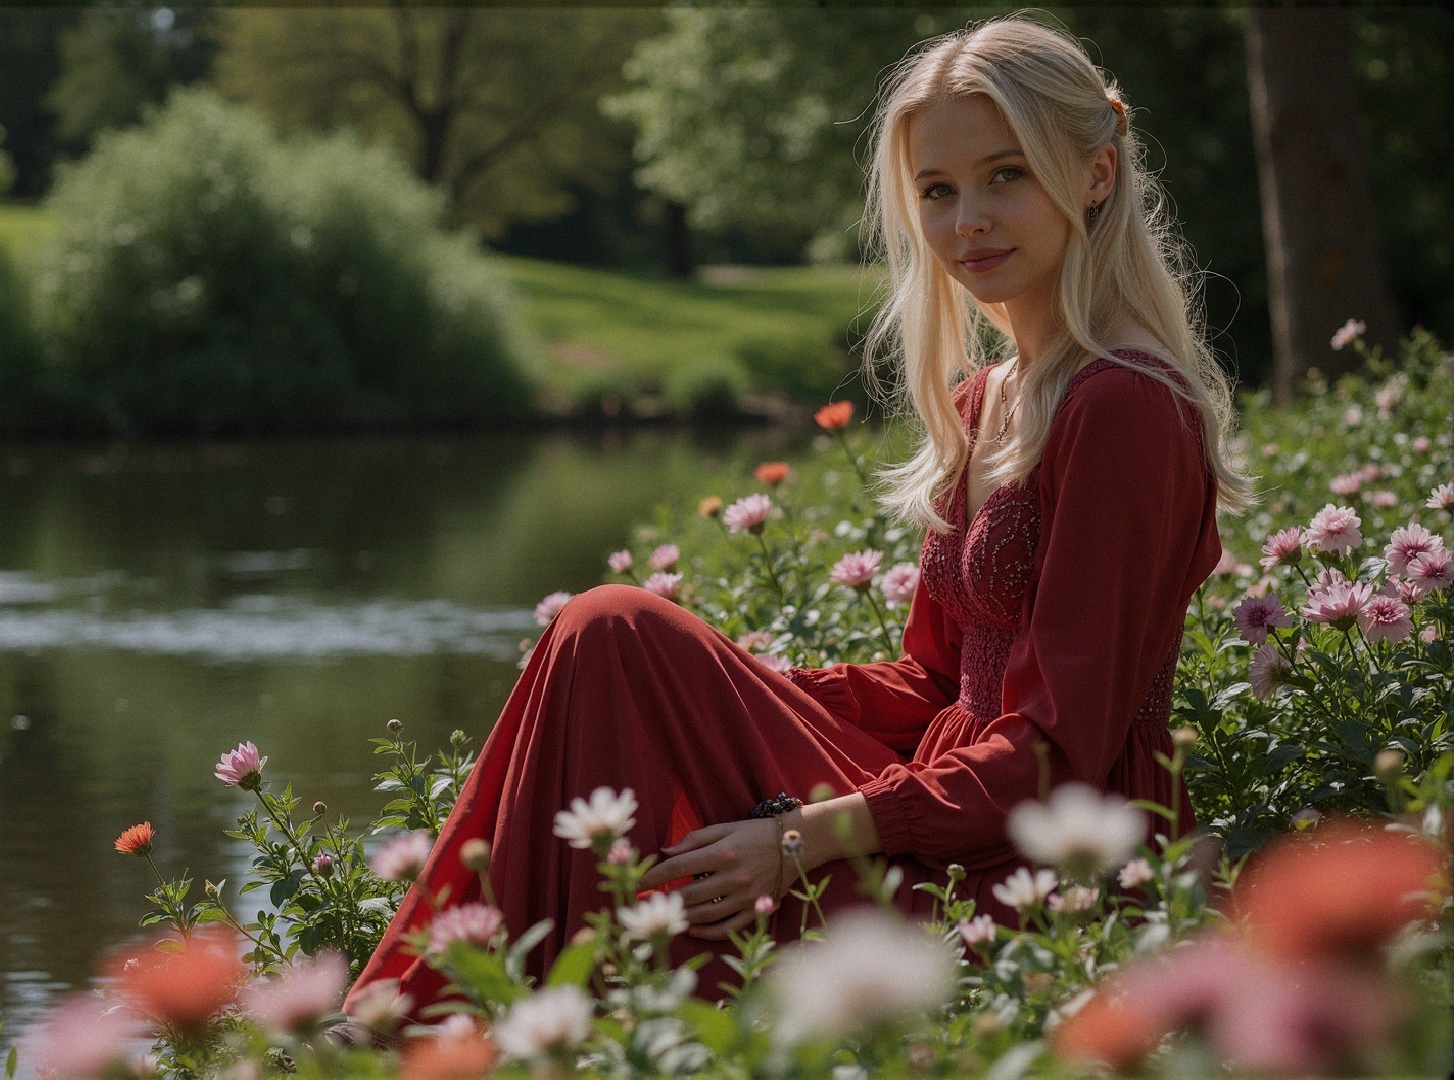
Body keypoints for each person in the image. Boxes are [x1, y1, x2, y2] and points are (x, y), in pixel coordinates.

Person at [336, 15, 1251, 1031]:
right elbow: (937, 684)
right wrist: (745, 683)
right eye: (938, 192)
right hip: (944, 803)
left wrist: (804, 838)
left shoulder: (1122, 406)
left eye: (1006, 176)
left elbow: (1056, 753)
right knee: (612, 638)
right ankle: (416, 1018)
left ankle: (424, 1026)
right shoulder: (987, 397)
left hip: (1041, 867)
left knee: (645, 890)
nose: (968, 224)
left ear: (1093, 173)